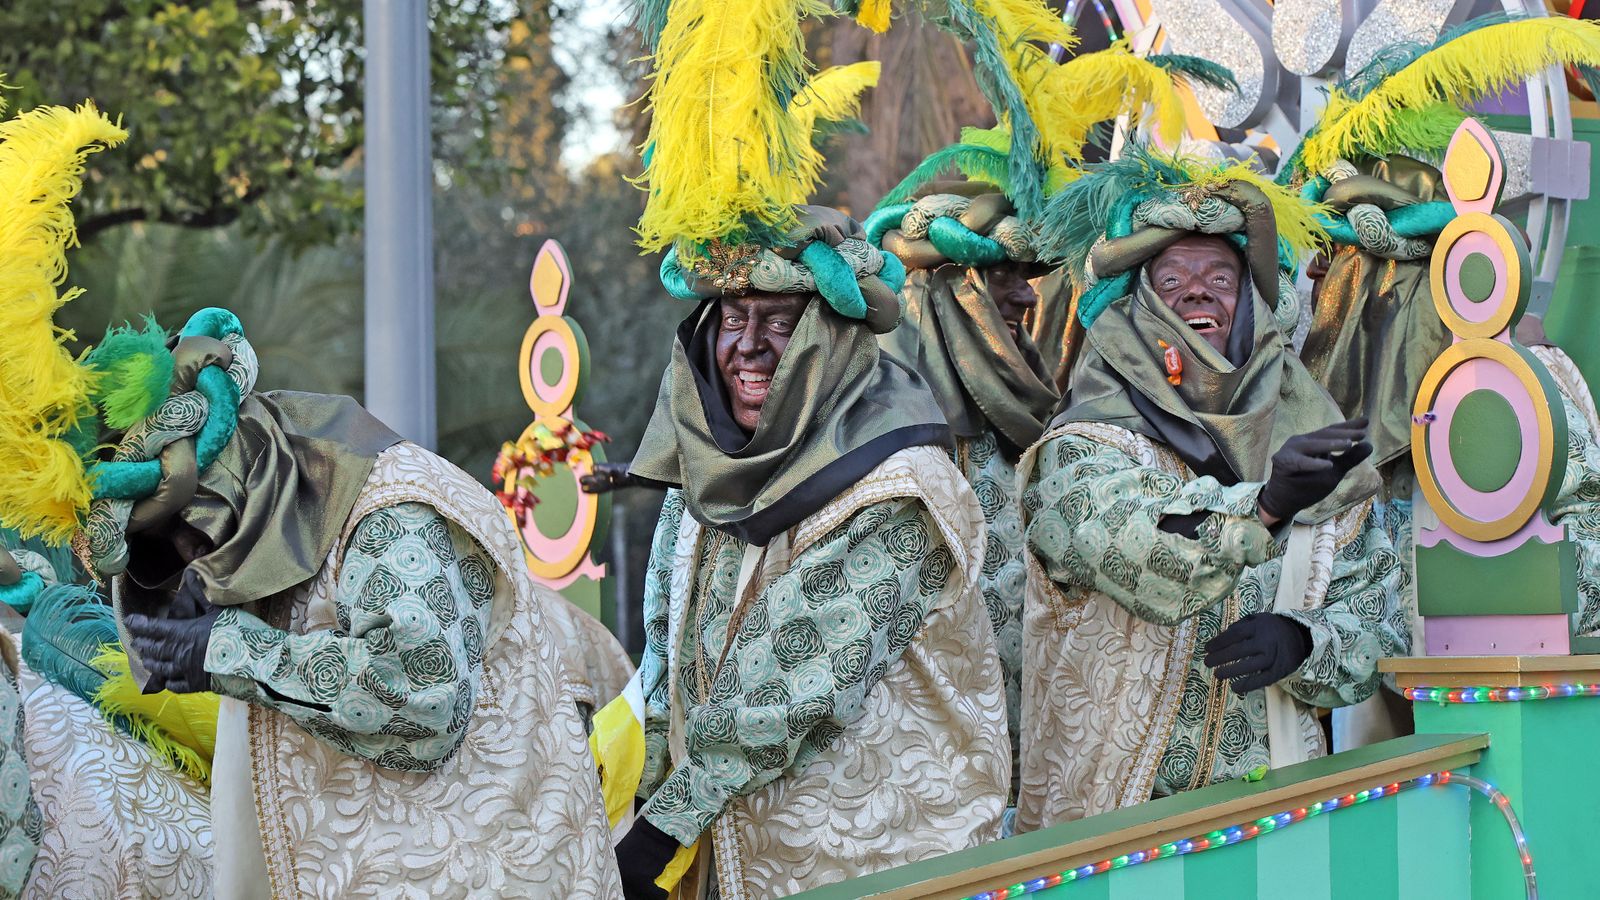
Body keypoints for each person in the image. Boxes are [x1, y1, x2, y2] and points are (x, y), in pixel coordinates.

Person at [1014, 148, 1408, 830]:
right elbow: (1130, 544)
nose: (1198, 292)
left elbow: (1384, 622)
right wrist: (1266, 506)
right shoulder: (1082, 449)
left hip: (1276, 826)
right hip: (1108, 833)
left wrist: (1306, 643)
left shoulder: (1313, 448)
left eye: (1221, 278)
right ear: (1139, 308)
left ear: (1251, 306)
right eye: (1172, 279)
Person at [867, 181, 1058, 804]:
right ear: (938, 290)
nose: (1027, 295)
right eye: (1001, 275)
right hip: (926, 786)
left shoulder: (1050, 416)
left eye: (1027, 276)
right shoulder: (877, 451)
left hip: (1040, 767)